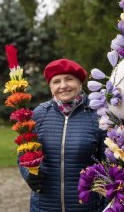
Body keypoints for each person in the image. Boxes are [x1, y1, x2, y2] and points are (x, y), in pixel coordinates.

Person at [18, 58, 106, 212]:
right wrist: (28, 174)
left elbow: (110, 163)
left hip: (87, 207)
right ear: (50, 87)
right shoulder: (38, 115)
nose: (63, 86)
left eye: (69, 79)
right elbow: (23, 152)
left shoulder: (98, 115)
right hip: (44, 206)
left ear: (80, 83)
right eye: (56, 81)